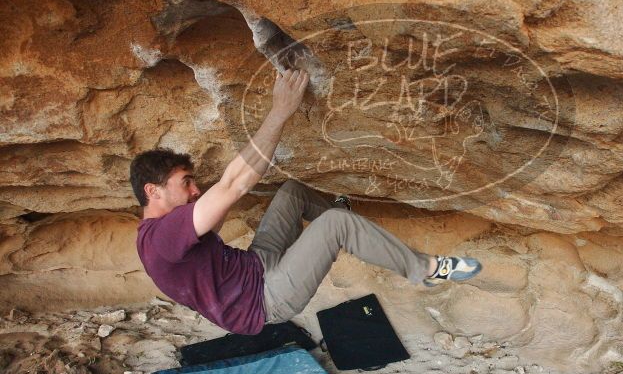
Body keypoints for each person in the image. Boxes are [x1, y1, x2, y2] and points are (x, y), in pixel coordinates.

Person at [130, 68, 481, 335]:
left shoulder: (171, 233)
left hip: (255, 266)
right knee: (335, 225)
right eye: (186, 182)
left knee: (292, 192)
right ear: (153, 191)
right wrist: (280, 111)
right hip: (266, 299)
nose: (195, 191)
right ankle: (428, 270)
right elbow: (233, 185)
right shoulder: (160, 237)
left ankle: (345, 228)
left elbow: (223, 202)